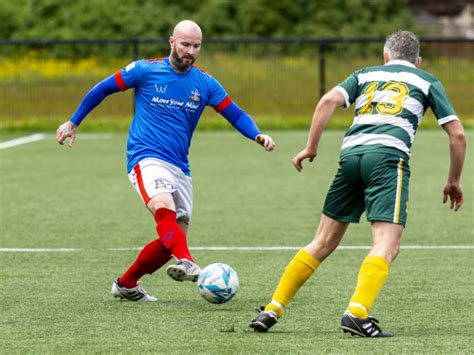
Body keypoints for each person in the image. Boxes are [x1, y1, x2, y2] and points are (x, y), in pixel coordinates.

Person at [249, 30, 466, 337]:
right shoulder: (427, 80)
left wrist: (311, 147)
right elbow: (457, 134)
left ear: (385, 57)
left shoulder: (365, 74)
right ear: (418, 61)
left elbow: (327, 100)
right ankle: (357, 313)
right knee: (387, 243)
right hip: (388, 158)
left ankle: (273, 309)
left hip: (351, 156)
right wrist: (453, 180)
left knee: (322, 242)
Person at [56, 20, 275, 302]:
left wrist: (257, 135)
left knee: (170, 238)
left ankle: (126, 284)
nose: (190, 51)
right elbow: (102, 89)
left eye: (196, 46)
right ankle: (188, 261)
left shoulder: (205, 83)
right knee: (163, 205)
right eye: (185, 44)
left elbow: (235, 113)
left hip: (180, 167)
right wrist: (74, 121)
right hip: (145, 157)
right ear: (171, 41)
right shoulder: (145, 70)